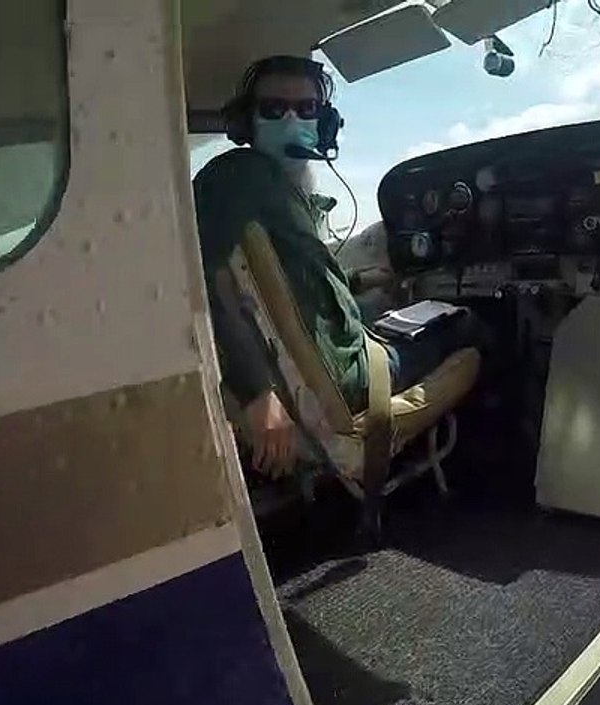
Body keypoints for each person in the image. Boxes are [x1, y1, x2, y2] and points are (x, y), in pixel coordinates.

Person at [193, 55, 478, 478]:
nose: (291, 118)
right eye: (274, 109)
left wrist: (365, 279)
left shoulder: (271, 192)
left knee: (401, 312)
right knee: (470, 324)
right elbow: (208, 276)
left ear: (324, 121)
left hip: (336, 350)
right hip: (351, 379)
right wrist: (257, 395)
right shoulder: (237, 177)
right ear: (245, 122)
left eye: (306, 109)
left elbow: (298, 286)